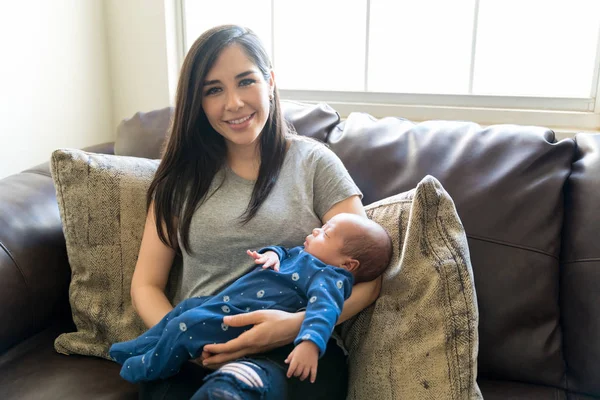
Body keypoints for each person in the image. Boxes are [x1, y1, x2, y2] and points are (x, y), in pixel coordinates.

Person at [131, 24, 382, 400]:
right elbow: (146, 284)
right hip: (198, 350)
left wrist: (294, 326)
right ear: (197, 103)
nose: (233, 103)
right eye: (213, 90)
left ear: (270, 82)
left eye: (245, 81)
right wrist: (187, 339)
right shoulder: (179, 180)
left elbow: (366, 275)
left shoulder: (313, 163)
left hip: (296, 351)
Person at [111, 213, 392, 384]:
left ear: (348, 264)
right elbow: (283, 252)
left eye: (326, 233)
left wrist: (309, 343)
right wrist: (272, 254)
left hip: (243, 322)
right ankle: (139, 346)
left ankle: (153, 366)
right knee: (185, 309)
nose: (316, 230)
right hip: (223, 303)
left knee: (188, 324)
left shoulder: (328, 277)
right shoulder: (304, 256)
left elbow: (325, 311)